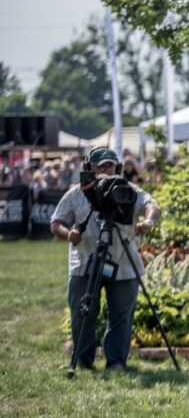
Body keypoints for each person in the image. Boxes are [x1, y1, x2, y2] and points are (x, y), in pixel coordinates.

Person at [49, 147, 160, 371]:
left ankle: (116, 361)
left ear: (117, 167)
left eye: (109, 165)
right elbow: (56, 222)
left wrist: (148, 223)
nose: (104, 170)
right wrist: (68, 233)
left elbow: (152, 206)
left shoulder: (128, 190)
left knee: (121, 315)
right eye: (99, 166)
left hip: (124, 263)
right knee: (82, 313)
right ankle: (82, 359)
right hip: (84, 262)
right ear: (89, 168)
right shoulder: (76, 193)